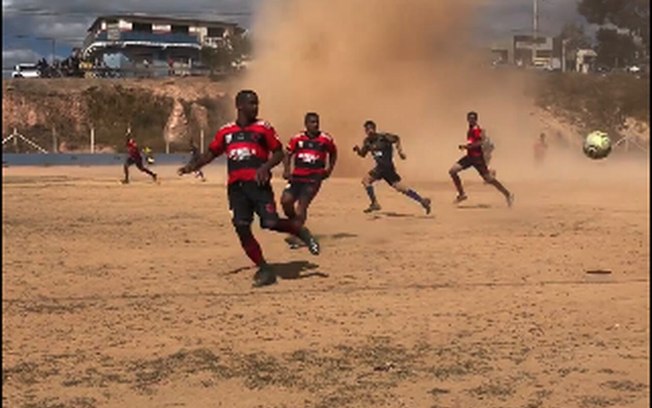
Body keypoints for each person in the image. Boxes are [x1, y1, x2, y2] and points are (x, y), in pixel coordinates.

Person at [177, 90, 320, 288]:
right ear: (240, 106)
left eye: (257, 103)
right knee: (241, 227)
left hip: (258, 186)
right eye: (251, 103)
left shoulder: (264, 128)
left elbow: (278, 153)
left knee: (269, 222)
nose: (255, 107)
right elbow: (211, 153)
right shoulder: (226, 132)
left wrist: (264, 167)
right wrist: (191, 167)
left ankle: (300, 230)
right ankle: (264, 268)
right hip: (236, 189)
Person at [281, 112, 337, 249]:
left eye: (317, 122)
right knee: (285, 201)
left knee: (302, 206)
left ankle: (298, 235)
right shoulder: (297, 138)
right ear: (306, 124)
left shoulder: (325, 139)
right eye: (312, 122)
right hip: (297, 177)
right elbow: (287, 154)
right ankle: (296, 224)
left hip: (314, 178)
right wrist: (287, 170)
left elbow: (334, 153)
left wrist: (329, 170)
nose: (315, 125)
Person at [353, 120, 431, 214]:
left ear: (374, 128)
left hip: (387, 168)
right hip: (381, 168)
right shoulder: (367, 142)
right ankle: (421, 201)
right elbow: (363, 154)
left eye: (371, 128)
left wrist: (400, 152)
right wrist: (357, 150)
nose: (369, 131)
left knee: (399, 187)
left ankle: (422, 201)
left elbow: (397, 138)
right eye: (367, 129)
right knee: (368, 181)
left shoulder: (383, 137)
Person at [449, 111, 514, 207]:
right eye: (469, 118)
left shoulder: (476, 129)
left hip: (477, 158)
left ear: (476, 119)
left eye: (473, 118)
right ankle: (461, 194)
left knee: (489, 179)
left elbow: (480, 142)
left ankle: (507, 194)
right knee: (453, 171)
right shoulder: (471, 129)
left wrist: (467, 147)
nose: (471, 120)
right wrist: (468, 147)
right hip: (470, 157)